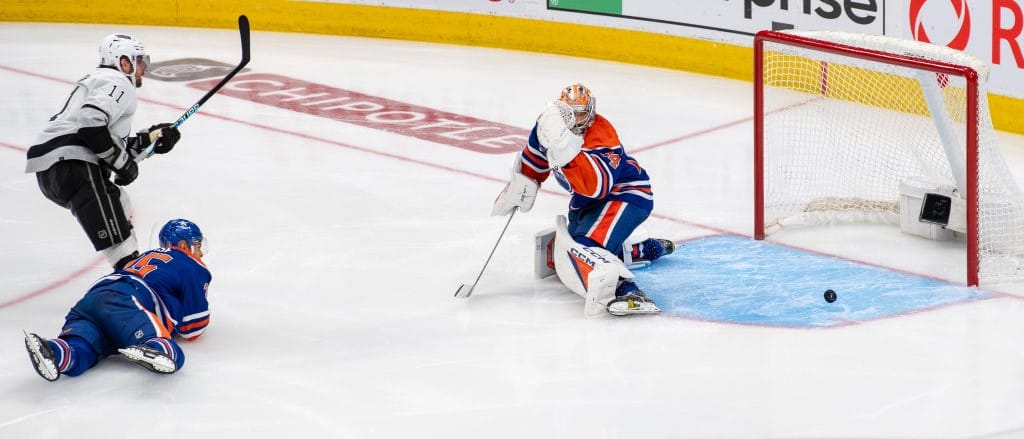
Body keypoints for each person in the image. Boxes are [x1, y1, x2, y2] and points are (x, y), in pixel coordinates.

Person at [492, 83, 674, 316]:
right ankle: (641, 250)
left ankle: (627, 290)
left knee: (586, 246)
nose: (578, 119)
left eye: (582, 112)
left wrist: (563, 149)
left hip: (626, 195)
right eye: (571, 113)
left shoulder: (602, 133)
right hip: (586, 203)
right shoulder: (548, 126)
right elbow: (534, 164)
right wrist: (518, 187)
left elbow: (597, 187)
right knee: (578, 243)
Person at [25, 33, 181, 270]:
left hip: (52, 168)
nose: (143, 68)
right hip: (74, 164)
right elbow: (90, 125)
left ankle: (129, 272)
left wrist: (151, 142)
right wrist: (122, 165)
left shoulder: (99, 80)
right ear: (123, 62)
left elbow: (101, 139)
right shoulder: (118, 81)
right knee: (122, 249)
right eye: (138, 61)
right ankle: (132, 286)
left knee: (120, 202)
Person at [23, 218, 211, 381]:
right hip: (127, 302)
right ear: (185, 245)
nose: (201, 253)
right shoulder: (192, 265)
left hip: (94, 298)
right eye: (199, 245)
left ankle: (55, 351)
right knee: (172, 353)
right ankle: (154, 347)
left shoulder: (146, 256)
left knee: (80, 348)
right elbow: (194, 328)